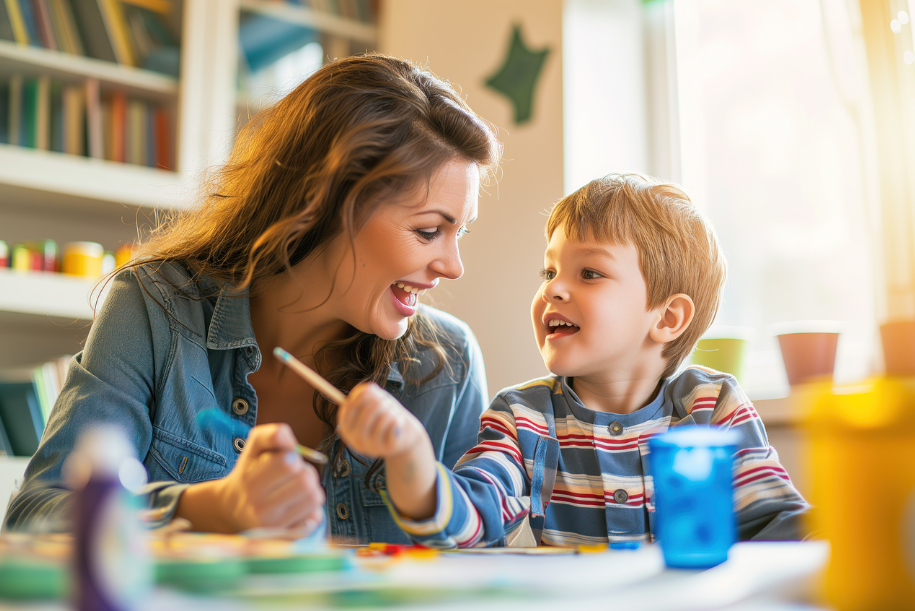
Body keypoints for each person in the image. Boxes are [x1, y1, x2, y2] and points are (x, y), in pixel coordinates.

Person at [5, 54, 501, 543]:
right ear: (325, 205)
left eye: (462, 233)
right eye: (429, 230)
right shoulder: (155, 309)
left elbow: (483, 566)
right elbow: (38, 515)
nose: (452, 266)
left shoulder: (446, 365)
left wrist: (425, 487)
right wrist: (213, 508)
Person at [338, 173, 810, 547]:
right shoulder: (522, 417)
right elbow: (474, 521)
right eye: (549, 270)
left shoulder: (712, 407)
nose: (553, 288)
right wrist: (413, 465)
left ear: (667, 317)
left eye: (589, 272)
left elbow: (779, 526)